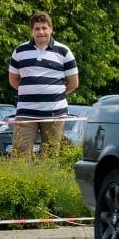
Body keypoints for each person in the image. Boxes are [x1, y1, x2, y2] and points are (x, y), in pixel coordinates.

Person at [8, 12, 79, 156]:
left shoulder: (64, 52)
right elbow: (13, 80)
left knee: (50, 154)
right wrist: (31, 92)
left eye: (44, 28)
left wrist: (54, 94)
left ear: (51, 29)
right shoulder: (19, 51)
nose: (41, 32)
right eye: (37, 28)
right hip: (26, 112)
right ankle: (21, 179)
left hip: (54, 113)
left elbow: (73, 83)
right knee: (19, 154)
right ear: (31, 31)